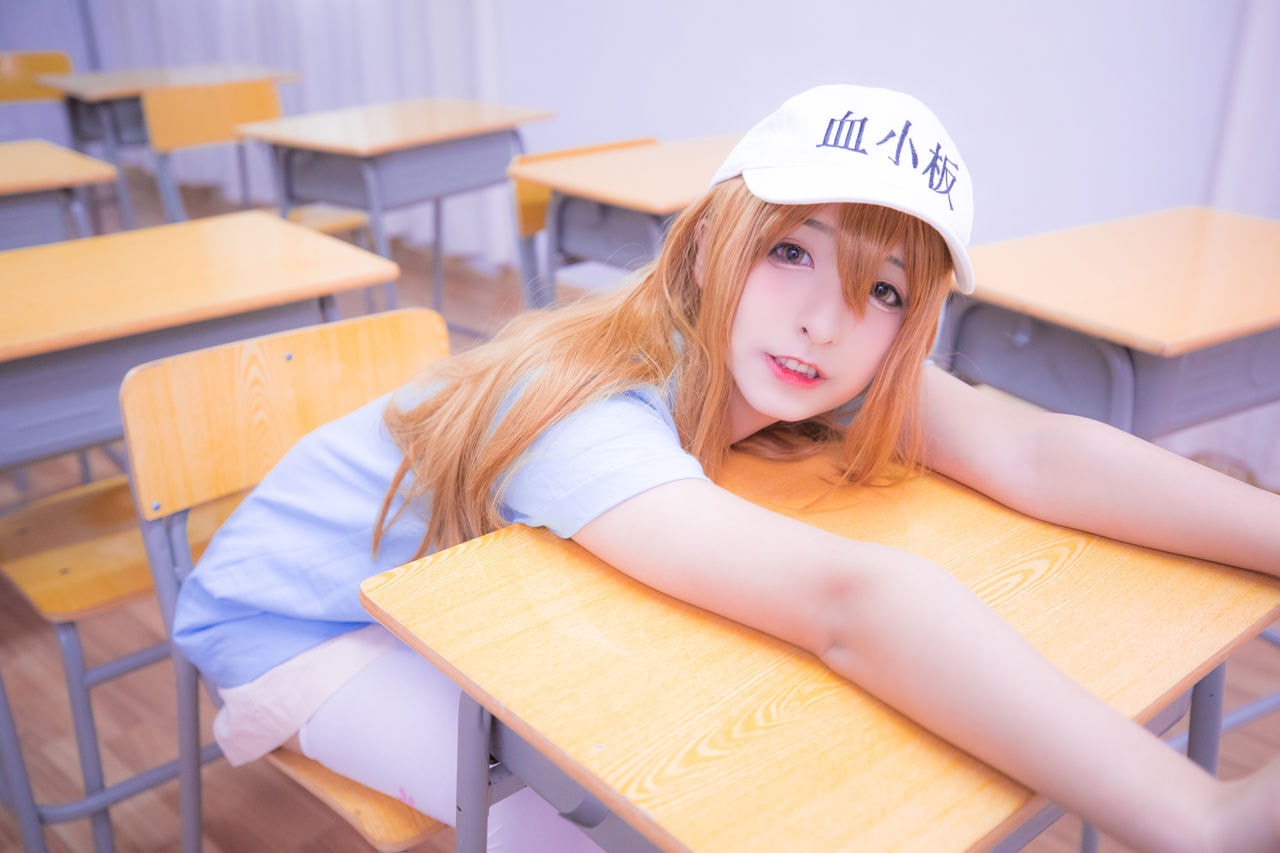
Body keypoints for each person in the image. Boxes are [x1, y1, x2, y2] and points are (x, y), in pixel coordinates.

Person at [173, 83, 1280, 852]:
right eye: (789, 250)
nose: (824, 321)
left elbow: (1034, 450)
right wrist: (1200, 821)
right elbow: (846, 602)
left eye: (883, 289)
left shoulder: (810, 360)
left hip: (466, 583)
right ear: (708, 241)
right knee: (588, 826)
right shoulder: (587, 404)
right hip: (303, 622)